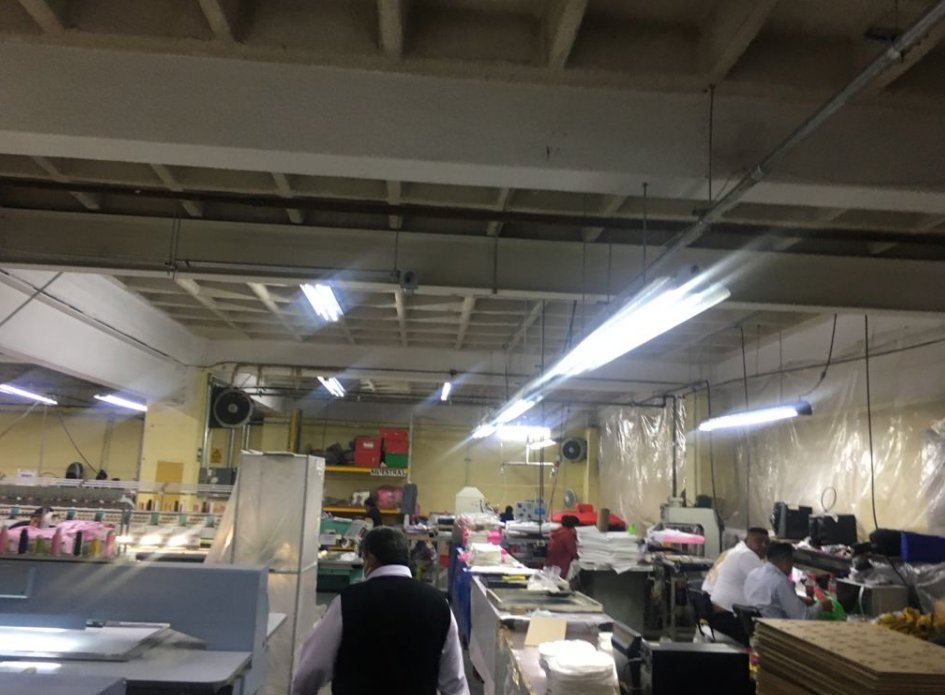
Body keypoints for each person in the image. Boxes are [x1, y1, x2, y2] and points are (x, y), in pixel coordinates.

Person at [293, 527, 469, 695]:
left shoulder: (347, 601)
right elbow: (455, 683)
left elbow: (312, 668)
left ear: (370, 558)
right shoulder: (439, 604)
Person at [744, 542, 832, 620]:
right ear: (786, 562)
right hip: (776, 628)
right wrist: (822, 605)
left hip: (758, 625)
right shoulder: (780, 581)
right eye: (792, 562)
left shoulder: (754, 573)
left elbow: (770, 598)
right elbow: (803, 617)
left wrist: (797, 599)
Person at [706, 527, 770, 611]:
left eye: (767, 542)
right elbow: (765, 584)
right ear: (747, 540)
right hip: (728, 611)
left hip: (718, 603)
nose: (764, 545)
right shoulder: (747, 555)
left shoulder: (735, 551)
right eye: (759, 541)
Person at [545, 514, 579, 579]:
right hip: (561, 559)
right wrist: (577, 556)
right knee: (560, 576)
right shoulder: (567, 534)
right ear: (573, 525)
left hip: (552, 557)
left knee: (552, 574)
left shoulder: (559, 530)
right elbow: (571, 549)